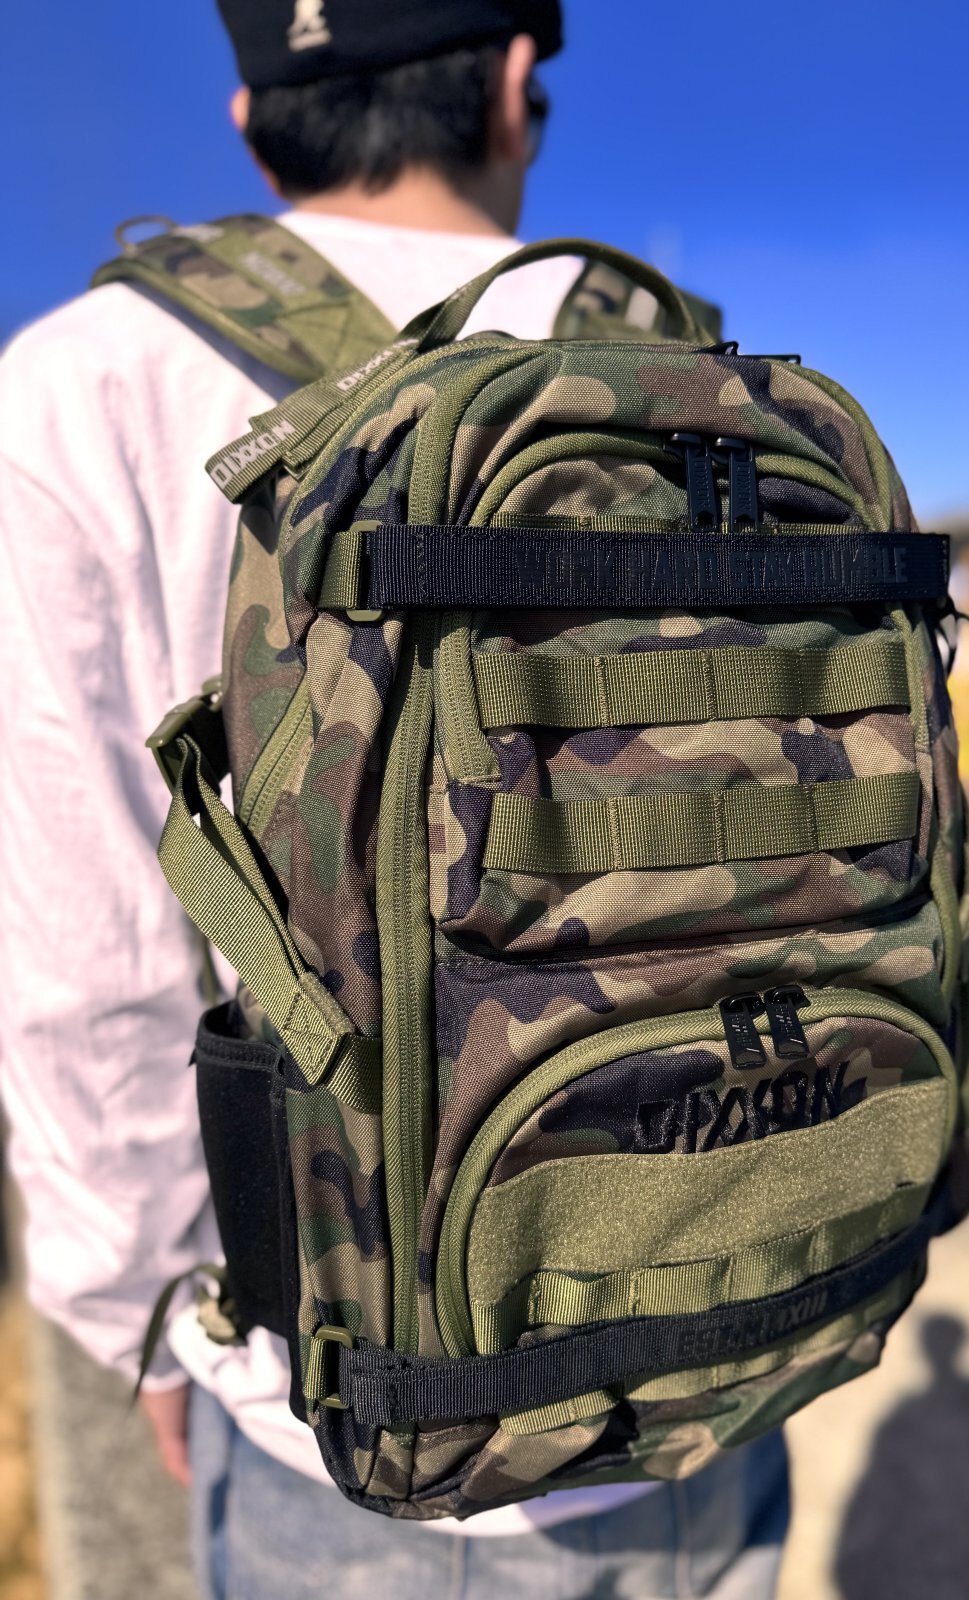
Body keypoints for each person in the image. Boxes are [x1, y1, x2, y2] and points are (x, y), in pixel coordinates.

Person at [0, 3, 790, 1594]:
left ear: (251, 122)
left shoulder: (87, 382)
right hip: (736, 1306)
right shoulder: (688, 372)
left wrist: (151, 1315)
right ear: (514, 80)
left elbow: (82, 954)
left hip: (364, 1423)